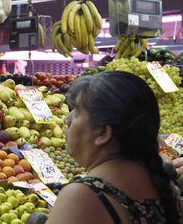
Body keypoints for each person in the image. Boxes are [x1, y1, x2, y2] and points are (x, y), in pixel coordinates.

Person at [45, 71, 182, 224]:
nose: (66, 120)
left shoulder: (84, 196)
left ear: (103, 133)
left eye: (76, 112)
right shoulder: (165, 186)